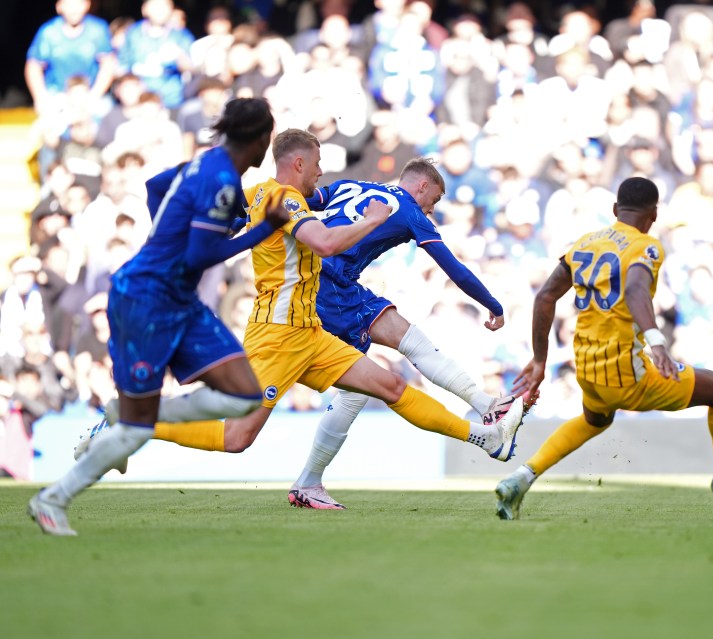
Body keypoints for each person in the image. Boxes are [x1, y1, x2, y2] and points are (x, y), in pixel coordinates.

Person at [95, 130, 525, 498]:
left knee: (388, 383)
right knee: (237, 437)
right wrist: (373, 221)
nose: (322, 172)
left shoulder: (274, 194)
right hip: (283, 329)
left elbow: (160, 188)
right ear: (298, 162)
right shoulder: (287, 200)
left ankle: (484, 435)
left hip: (310, 328)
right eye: (317, 163)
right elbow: (324, 243)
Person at [28, 97, 290, 536]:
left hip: (176, 300)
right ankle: (51, 500)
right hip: (146, 299)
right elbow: (200, 255)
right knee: (134, 431)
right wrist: (264, 229)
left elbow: (153, 186)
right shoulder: (222, 180)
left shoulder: (204, 162)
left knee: (247, 394)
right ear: (262, 138)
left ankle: (131, 411)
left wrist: (161, 238)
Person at [495, 177, 713, 521]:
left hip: (587, 365)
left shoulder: (585, 242)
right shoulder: (647, 246)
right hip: (625, 372)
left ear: (615, 210)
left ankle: (520, 478)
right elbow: (636, 289)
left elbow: (545, 297)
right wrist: (657, 341)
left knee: (594, 420)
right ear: (654, 214)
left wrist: (540, 359)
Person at [286, 157, 533, 509]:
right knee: (358, 391)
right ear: (422, 187)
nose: (431, 210)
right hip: (330, 292)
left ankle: (486, 408)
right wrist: (493, 305)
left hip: (329, 284)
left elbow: (295, 201)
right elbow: (454, 269)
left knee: (405, 345)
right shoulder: (409, 209)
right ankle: (308, 482)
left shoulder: (351, 186)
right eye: (433, 201)